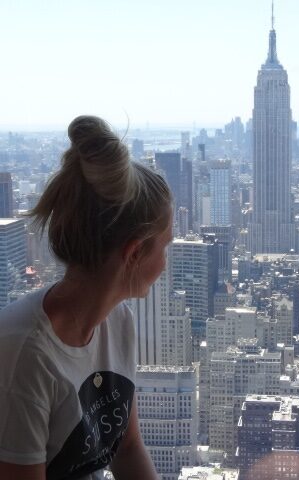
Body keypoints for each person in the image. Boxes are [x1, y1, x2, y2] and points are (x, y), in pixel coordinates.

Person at [0, 115, 173, 480]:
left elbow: (127, 448)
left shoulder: (118, 321)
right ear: (133, 254)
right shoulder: (24, 355)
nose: (166, 262)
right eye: (165, 247)